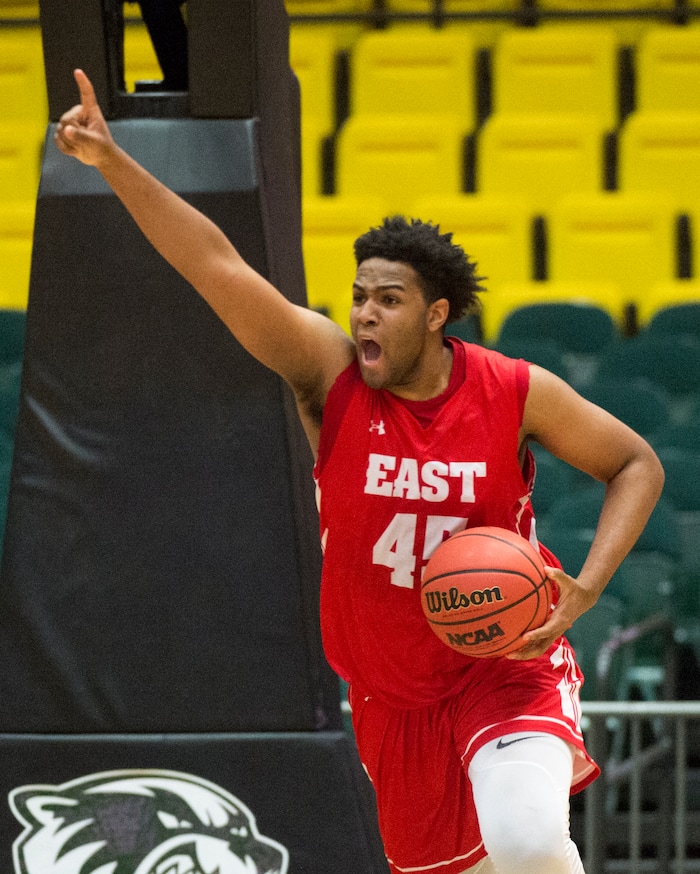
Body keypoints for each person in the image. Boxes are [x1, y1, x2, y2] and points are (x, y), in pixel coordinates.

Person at [54, 70, 664, 874]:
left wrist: (584, 585)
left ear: (436, 314)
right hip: (390, 696)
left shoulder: (514, 390)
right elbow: (218, 268)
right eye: (359, 297)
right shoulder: (329, 379)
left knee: (526, 840)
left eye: (388, 300)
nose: (365, 314)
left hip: (502, 665)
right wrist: (114, 162)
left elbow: (634, 462)